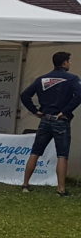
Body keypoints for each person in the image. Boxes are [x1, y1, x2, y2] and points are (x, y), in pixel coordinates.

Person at [19, 51, 81, 196]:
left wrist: (35, 111)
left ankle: (25, 184)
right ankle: (61, 189)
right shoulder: (72, 79)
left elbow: (25, 95)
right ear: (64, 63)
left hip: (45, 119)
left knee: (35, 152)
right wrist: (65, 111)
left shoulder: (42, 79)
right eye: (69, 61)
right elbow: (79, 95)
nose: (70, 64)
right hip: (61, 121)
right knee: (62, 155)